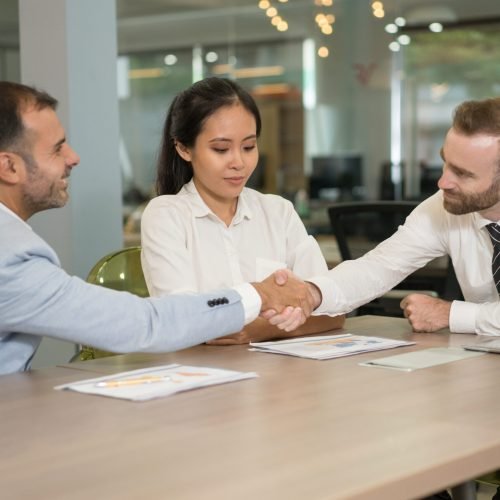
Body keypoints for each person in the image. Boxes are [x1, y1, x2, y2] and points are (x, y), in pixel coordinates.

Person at [0, 81, 315, 376]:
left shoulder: (277, 210)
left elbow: (331, 305)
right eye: (58, 148)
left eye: (248, 146)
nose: (74, 158)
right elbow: (146, 325)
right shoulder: (11, 260)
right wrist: (260, 295)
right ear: (8, 167)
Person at [273, 96, 500, 337]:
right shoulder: (445, 207)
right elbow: (379, 267)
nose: (443, 182)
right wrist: (312, 293)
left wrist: (450, 314)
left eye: (462, 174)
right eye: (445, 163)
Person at [140, 77, 344, 345]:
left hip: (282, 378)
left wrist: (255, 330)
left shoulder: (278, 212)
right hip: (206, 376)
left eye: (249, 146)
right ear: (183, 148)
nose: (239, 162)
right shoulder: (166, 216)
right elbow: (184, 320)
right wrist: (275, 314)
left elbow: (333, 313)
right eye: (221, 149)